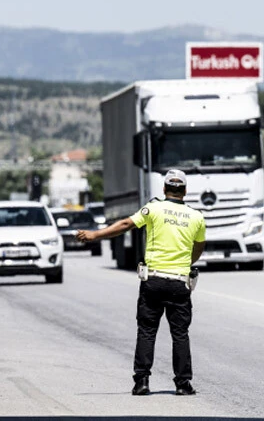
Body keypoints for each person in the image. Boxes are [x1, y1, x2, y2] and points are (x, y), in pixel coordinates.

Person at [75, 169, 206, 396]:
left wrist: (95, 235)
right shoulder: (196, 217)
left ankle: (142, 382)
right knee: (180, 334)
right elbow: (198, 249)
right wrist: (184, 264)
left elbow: (126, 224)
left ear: (164, 189)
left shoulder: (153, 209)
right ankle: (183, 384)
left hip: (153, 281)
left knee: (147, 331)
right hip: (179, 284)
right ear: (185, 191)